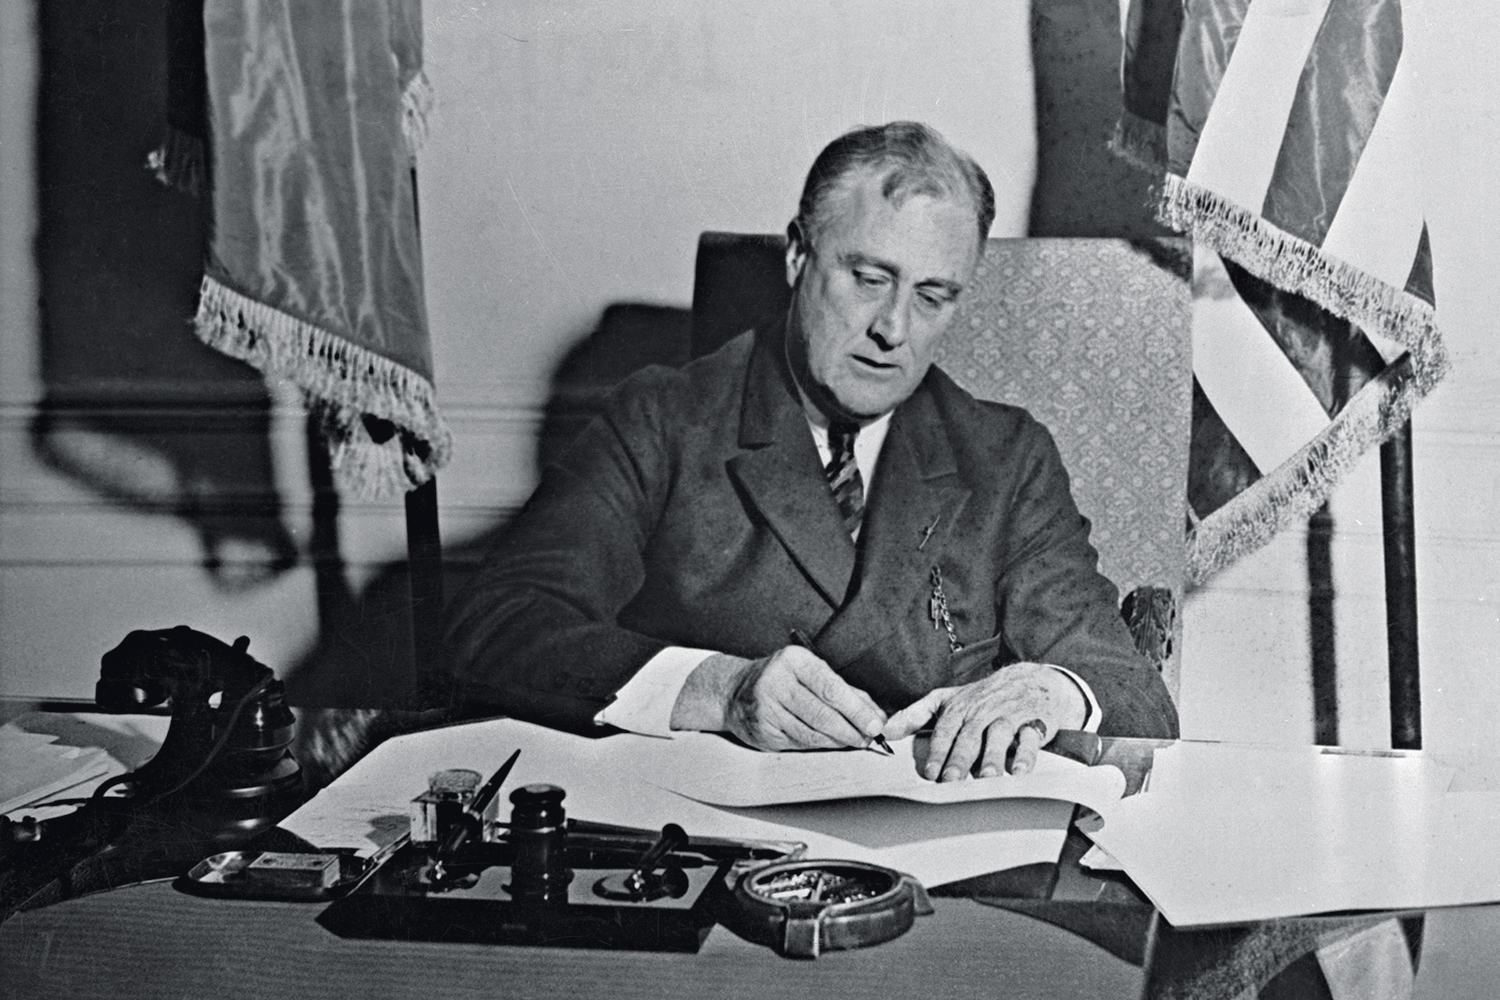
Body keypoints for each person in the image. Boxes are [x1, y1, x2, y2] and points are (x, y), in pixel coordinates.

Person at [447, 121, 1179, 782]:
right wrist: (720, 691)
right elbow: (498, 628)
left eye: (933, 297)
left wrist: (1051, 690)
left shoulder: (1006, 457)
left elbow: (1133, 694)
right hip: (707, 836)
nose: (893, 329)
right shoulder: (665, 419)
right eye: (869, 279)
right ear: (798, 254)